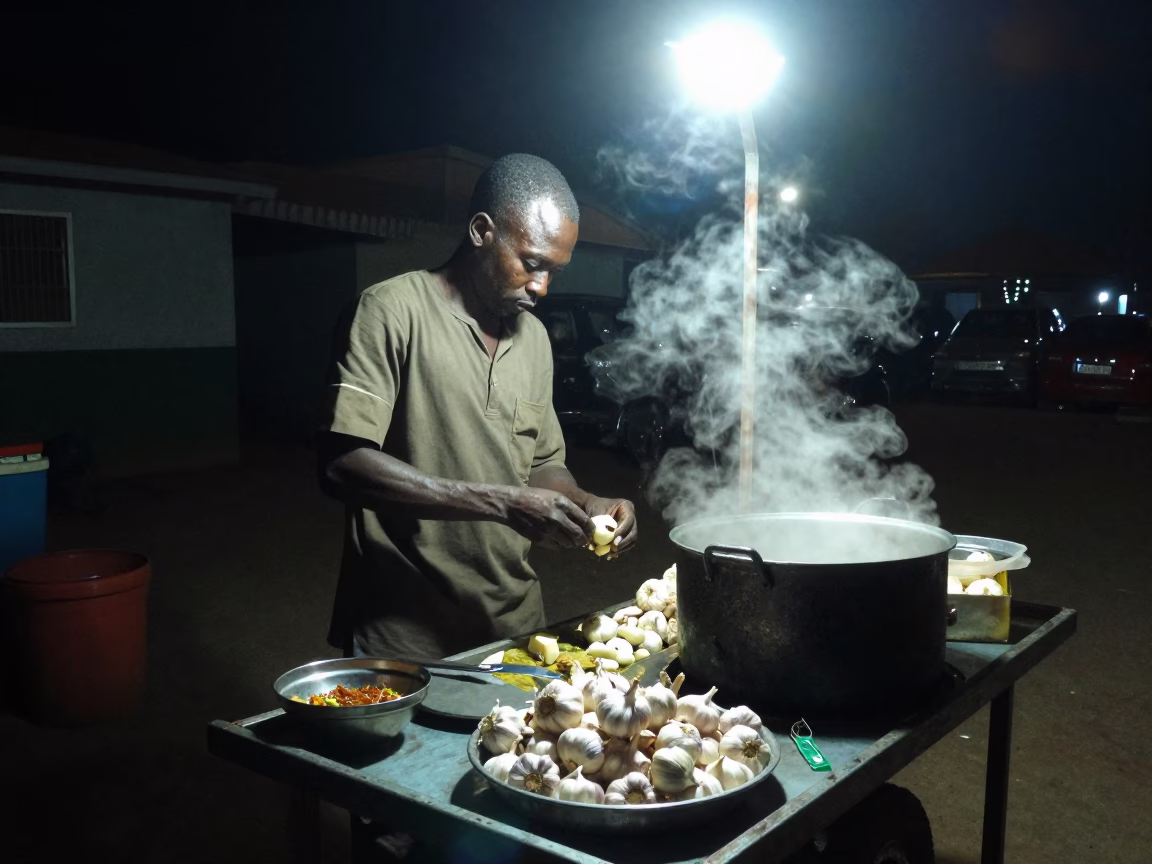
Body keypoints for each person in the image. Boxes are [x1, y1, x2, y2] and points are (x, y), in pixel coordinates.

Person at [318, 153, 638, 662]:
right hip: (401, 627)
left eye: (554, 271)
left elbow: (540, 463)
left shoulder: (533, 338)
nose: (542, 287)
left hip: (513, 621)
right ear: (481, 231)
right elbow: (342, 465)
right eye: (531, 263)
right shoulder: (389, 311)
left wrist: (584, 501)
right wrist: (502, 503)